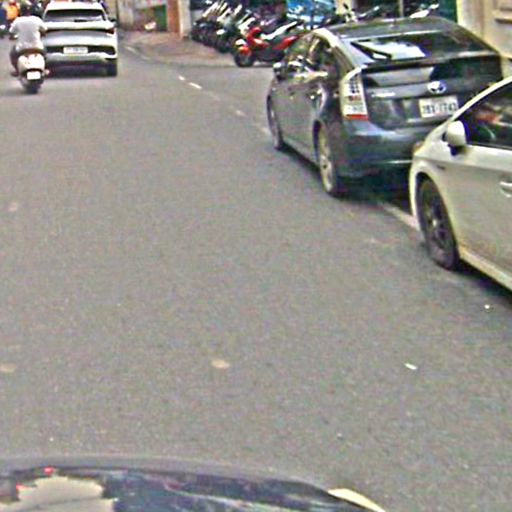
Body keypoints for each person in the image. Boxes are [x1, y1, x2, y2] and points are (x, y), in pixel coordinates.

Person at [8, 1, 46, 76]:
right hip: (37, 47)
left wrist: (12, 36)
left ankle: (17, 70)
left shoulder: (17, 21)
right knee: (45, 54)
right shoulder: (36, 19)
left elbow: (11, 32)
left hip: (22, 48)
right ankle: (44, 69)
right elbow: (44, 30)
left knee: (12, 54)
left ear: (21, 11)